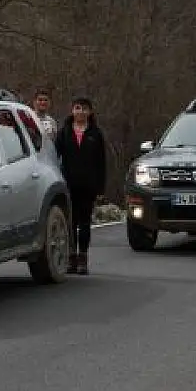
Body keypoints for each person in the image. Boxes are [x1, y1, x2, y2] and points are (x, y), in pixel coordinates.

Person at [54, 96, 107, 275]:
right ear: (72, 110)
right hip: (68, 184)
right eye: (77, 108)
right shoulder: (64, 132)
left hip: (88, 185)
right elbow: (55, 156)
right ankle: (71, 258)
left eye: (84, 109)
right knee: (70, 222)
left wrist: (100, 187)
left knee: (84, 223)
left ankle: (83, 258)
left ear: (90, 112)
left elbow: (101, 163)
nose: (81, 112)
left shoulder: (96, 134)